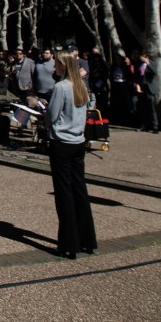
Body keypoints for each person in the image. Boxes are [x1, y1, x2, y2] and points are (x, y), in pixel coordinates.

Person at [47, 52, 98, 259]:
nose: (54, 68)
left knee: (64, 193)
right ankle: (88, 239)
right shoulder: (81, 86)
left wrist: (44, 113)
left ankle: (69, 242)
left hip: (61, 142)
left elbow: (52, 115)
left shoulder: (61, 87)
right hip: (78, 141)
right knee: (79, 190)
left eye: (56, 64)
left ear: (63, 65)